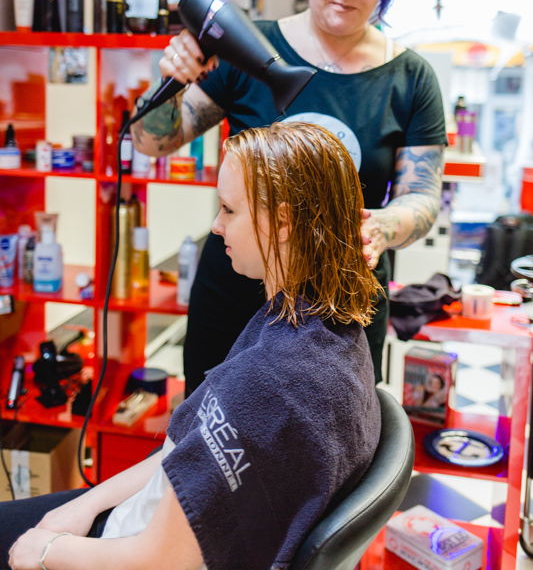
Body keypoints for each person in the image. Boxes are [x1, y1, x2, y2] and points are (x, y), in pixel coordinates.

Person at [4, 122, 381, 570]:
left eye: (228, 209)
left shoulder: (272, 380)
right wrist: (85, 505)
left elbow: (159, 560)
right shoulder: (326, 330)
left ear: (282, 222)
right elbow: (183, 448)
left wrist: (46, 552)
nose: (216, 226)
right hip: (147, 522)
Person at [131, 0, 447, 391]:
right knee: (212, 449)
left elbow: (423, 196)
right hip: (233, 298)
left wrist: (384, 227)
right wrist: (171, 80)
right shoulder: (247, 46)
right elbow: (151, 143)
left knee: (332, 455)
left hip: (342, 309)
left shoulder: (409, 78)